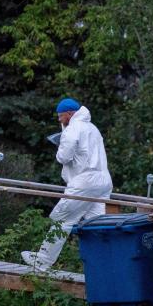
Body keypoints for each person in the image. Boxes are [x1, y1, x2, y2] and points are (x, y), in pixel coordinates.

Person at [21, 98, 113, 271]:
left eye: (61, 116)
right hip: (103, 181)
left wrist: (62, 139)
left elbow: (63, 157)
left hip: (85, 182)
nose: (59, 120)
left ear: (70, 114)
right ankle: (105, 263)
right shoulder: (93, 128)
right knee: (96, 224)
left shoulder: (73, 129)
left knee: (62, 218)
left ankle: (42, 261)